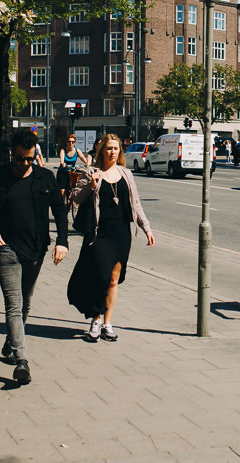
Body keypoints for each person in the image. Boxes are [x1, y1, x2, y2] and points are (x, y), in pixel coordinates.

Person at [0, 128, 69, 385]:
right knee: (13, 304)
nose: (25, 164)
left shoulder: (45, 178)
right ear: (12, 153)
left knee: (25, 302)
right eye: (20, 158)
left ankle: (11, 342)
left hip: (36, 249)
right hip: (6, 248)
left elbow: (59, 210)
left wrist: (62, 242)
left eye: (30, 159)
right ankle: (22, 360)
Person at [68, 134, 155, 342]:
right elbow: (75, 198)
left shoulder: (126, 174)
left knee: (114, 279)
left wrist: (147, 228)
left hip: (120, 233)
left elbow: (136, 204)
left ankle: (107, 323)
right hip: (99, 233)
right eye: (109, 148)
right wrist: (91, 185)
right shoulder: (91, 172)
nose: (113, 152)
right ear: (102, 151)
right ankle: (96, 320)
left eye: (116, 148)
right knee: (100, 276)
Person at [57, 134, 90, 208]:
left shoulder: (77, 150)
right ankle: (61, 207)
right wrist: (63, 163)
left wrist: (87, 163)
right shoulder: (63, 150)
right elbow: (62, 158)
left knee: (74, 186)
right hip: (63, 172)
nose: (71, 143)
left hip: (71, 172)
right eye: (69, 142)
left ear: (75, 142)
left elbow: (82, 157)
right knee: (62, 191)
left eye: (72, 142)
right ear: (67, 142)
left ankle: (71, 199)